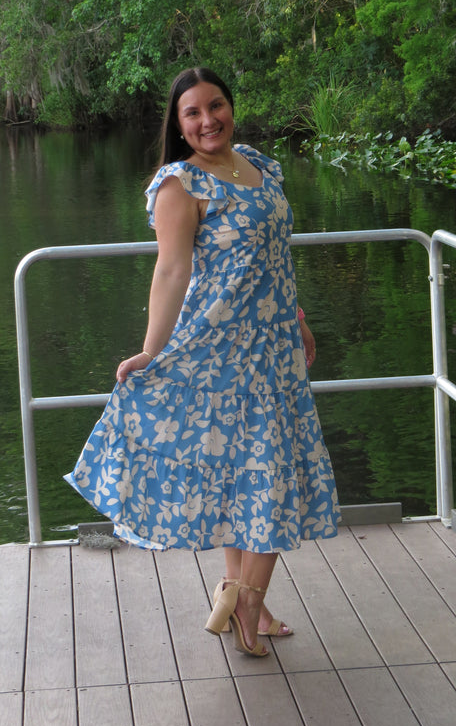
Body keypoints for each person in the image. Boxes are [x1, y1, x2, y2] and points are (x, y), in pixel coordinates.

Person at [65, 67, 341, 657]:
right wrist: (152, 350)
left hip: (274, 349)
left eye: (216, 106)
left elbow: (275, 257)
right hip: (220, 353)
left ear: (231, 107)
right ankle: (245, 602)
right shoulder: (179, 185)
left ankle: (244, 598)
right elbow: (171, 272)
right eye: (192, 113)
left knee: (248, 477)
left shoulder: (257, 165)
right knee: (269, 479)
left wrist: (296, 317)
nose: (208, 120)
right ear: (178, 124)